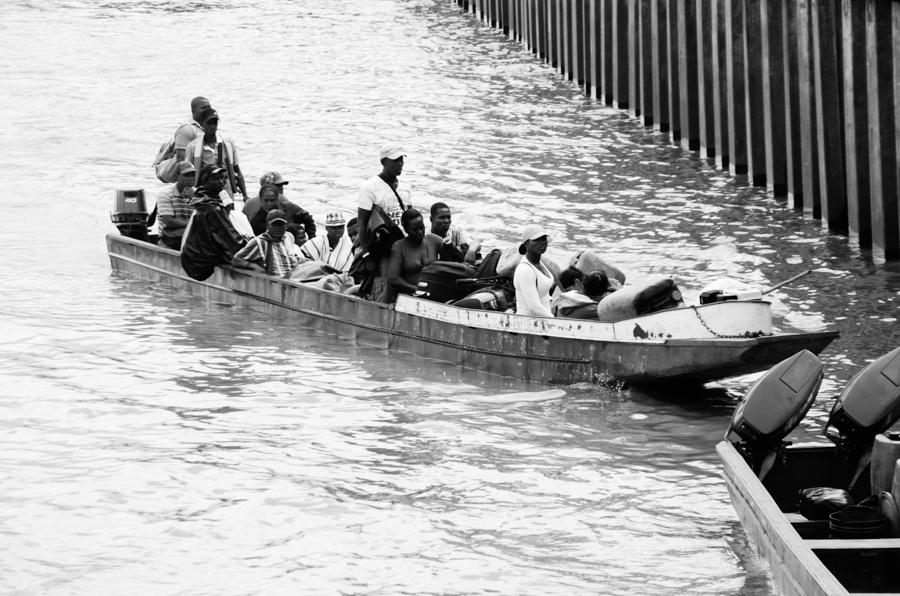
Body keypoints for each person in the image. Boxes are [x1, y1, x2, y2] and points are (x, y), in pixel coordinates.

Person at [180, 165, 247, 281]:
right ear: (205, 181)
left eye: (223, 178)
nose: (221, 181)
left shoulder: (203, 198)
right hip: (199, 265)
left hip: (192, 258)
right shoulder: (211, 208)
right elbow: (229, 238)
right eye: (216, 179)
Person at [184, 107, 248, 200]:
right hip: (204, 192)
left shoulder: (227, 144)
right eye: (209, 123)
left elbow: (236, 170)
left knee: (228, 213)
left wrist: (245, 195)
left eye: (215, 122)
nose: (212, 126)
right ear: (202, 124)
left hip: (225, 191)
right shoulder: (193, 147)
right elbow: (187, 173)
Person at [357, 146, 411, 254]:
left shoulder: (406, 186)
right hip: (384, 244)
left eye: (401, 159)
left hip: (405, 242)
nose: (400, 163)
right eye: (395, 160)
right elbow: (362, 222)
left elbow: (410, 216)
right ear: (383, 162)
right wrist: (366, 254)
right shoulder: (369, 187)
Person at [383, 208, 443, 303]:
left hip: (434, 295)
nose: (420, 232)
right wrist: (417, 289)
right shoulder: (399, 247)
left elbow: (454, 258)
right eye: (415, 229)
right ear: (406, 229)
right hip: (409, 297)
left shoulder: (433, 240)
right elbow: (393, 278)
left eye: (421, 227)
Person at [231, 209, 306, 278]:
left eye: (280, 224)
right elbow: (236, 260)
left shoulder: (289, 236)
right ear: (267, 225)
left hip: (295, 277)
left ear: (286, 225)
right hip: (278, 281)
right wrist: (253, 266)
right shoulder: (259, 241)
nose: (277, 228)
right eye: (274, 224)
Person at [243, 176, 317, 238]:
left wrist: (311, 239)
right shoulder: (256, 222)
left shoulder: (289, 207)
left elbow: (308, 219)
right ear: (260, 200)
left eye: (272, 200)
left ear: (277, 199)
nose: (269, 204)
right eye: (266, 201)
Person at [513, 225, 555, 317]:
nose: (542, 243)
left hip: (544, 319)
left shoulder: (540, 263)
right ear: (526, 243)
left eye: (544, 239)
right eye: (536, 240)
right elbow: (534, 306)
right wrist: (555, 321)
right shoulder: (525, 270)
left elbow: (544, 296)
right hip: (529, 324)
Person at [156, 161, 197, 250]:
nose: (191, 178)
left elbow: (207, 217)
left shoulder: (198, 194)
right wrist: (194, 224)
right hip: (170, 238)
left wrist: (195, 199)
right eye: (187, 175)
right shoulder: (165, 194)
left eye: (193, 174)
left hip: (191, 237)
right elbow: (169, 222)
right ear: (177, 176)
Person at [173, 96, 210, 163]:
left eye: (209, 108)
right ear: (193, 110)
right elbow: (181, 161)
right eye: (203, 108)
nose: (207, 111)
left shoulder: (208, 129)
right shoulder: (187, 130)